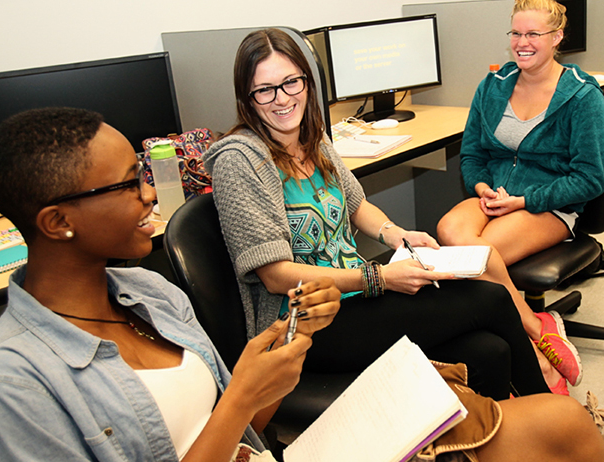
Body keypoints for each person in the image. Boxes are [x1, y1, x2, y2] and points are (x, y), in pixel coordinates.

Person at [0, 108, 603, 462]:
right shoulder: (14, 384)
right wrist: (241, 399)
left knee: (553, 416)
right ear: (57, 222)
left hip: (308, 374)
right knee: (491, 310)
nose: (152, 191)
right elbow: (236, 409)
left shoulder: (154, 298)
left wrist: (292, 345)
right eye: (129, 183)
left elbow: (251, 432)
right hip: (351, 299)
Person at [203, 27, 570, 398]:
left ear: (307, 84)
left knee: (490, 352)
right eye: (265, 89)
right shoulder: (240, 162)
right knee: (491, 300)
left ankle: (499, 445)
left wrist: (396, 234)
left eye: (291, 83)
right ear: (247, 99)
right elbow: (276, 276)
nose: (282, 98)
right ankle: (554, 423)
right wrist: (379, 277)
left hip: (357, 296)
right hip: (306, 325)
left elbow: (357, 204)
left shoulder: (312, 140)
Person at [436, 0, 604, 393]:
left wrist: (524, 201)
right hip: (493, 195)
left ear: (557, 37)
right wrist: (481, 188)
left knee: (473, 258)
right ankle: (534, 324)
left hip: (547, 204)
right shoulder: (492, 87)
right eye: (516, 33)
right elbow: (474, 154)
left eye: (533, 34)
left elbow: (590, 178)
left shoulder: (582, 96)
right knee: (449, 230)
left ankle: (524, 351)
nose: (522, 43)